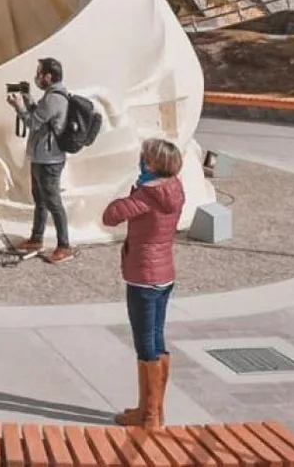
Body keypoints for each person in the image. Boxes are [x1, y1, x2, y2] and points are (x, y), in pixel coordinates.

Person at [104, 138, 186, 430]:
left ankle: (148, 416)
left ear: (153, 164)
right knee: (157, 337)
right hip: (165, 274)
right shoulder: (174, 188)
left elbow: (111, 216)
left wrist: (133, 191)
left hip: (144, 276)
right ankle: (156, 409)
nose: (140, 160)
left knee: (145, 344)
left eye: (144, 157)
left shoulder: (147, 196)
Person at [7, 57, 73, 263]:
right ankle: (36, 238)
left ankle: (64, 246)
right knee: (40, 200)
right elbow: (40, 115)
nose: (37, 77)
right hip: (42, 157)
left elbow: (33, 122)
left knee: (53, 202)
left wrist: (18, 106)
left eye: (39, 74)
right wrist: (27, 99)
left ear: (49, 76)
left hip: (49, 160)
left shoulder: (54, 98)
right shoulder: (50, 96)